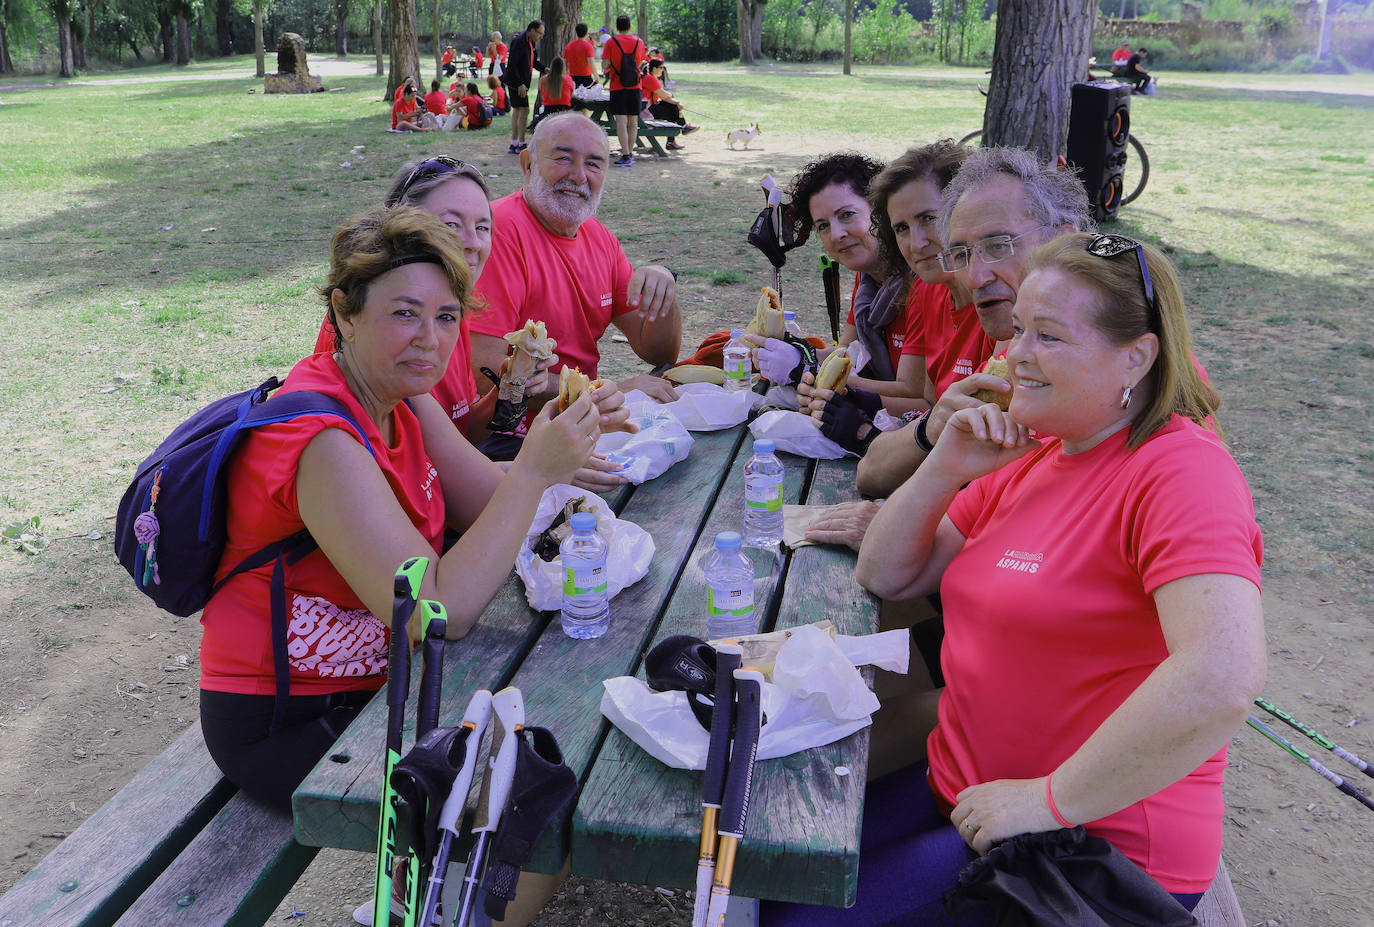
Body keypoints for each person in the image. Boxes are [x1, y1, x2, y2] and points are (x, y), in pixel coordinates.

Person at [761, 232, 1267, 926]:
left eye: (1049, 337)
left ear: (1137, 356)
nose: (1016, 353)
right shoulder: (1041, 446)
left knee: (793, 921)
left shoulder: (1181, 470)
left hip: (1089, 842)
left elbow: (1223, 675)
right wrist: (946, 463)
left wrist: (1048, 800)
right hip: (969, 786)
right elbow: (886, 570)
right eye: (1021, 329)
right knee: (769, 874)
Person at [201, 203, 601, 825]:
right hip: (295, 716)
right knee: (531, 805)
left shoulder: (404, 400)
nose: (430, 338)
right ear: (343, 312)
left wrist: (556, 455)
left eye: (445, 317)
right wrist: (533, 471)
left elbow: (486, 501)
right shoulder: (322, 438)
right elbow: (436, 613)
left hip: (384, 678)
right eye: (404, 314)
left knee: (565, 736)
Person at [857, 146, 1093, 498]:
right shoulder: (1013, 353)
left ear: (1063, 239)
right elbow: (871, 474)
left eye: (998, 245)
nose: (975, 277)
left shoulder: (1114, 360)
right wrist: (931, 428)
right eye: (961, 255)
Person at [467, 112, 684, 470]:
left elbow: (657, 352)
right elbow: (484, 372)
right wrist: (599, 392)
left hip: (579, 422)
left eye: (594, 164)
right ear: (527, 164)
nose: (579, 176)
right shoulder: (495, 233)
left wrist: (665, 285)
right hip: (508, 439)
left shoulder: (600, 239)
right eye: (563, 158)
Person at [746, 153, 926, 410]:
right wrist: (794, 350)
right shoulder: (868, 282)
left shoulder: (922, 283)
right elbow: (843, 354)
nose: (837, 234)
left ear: (882, 211)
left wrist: (804, 368)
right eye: (823, 226)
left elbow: (914, 393)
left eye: (847, 215)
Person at [601, 14, 646, 167]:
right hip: (635, 86)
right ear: (630, 26)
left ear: (617, 27)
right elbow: (640, 62)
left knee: (621, 121)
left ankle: (625, 154)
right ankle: (630, 153)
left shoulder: (611, 42)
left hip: (618, 86)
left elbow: (605, 65)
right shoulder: (639, 42)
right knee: (633, 122)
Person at [503, 19, 545, 154]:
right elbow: (513, 64)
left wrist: (545, 69)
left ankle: (514, 143)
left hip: (521, 83)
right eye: (539, 33)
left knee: (517, 110)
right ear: (532, 30)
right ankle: (521, 143)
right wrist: (519, 83)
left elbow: (533, 62)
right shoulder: (519, 41)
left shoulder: (531, 43)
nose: (541, 37)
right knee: (524, 110)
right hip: (516, 82)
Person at [639, 58, 699, 150]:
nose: (662, 70)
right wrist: (676, 101)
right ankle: (682, 128)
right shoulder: (650, 79)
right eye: (661, 67)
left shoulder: (648, 77)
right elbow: (663, 95)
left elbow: (663, 96)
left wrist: (674, 101)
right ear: (654, 69)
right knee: (673, 108)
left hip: (644, 108)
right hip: (646, 111)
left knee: (672, 109)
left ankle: (676, 136)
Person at [532, 55, 574, 128]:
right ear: (563, 67)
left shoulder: (543, 80)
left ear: (551, 67)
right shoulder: (568, 79)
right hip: (565, 111)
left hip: (548, 111)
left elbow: (543, 95)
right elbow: (571, 95)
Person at [565, 22, 598, 88]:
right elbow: (591, 63)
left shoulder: (569, 45)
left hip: (572, 77)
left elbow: (566, 62)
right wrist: (596, 76)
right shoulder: (588, 46)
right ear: (586, 33)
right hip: (586, 78)